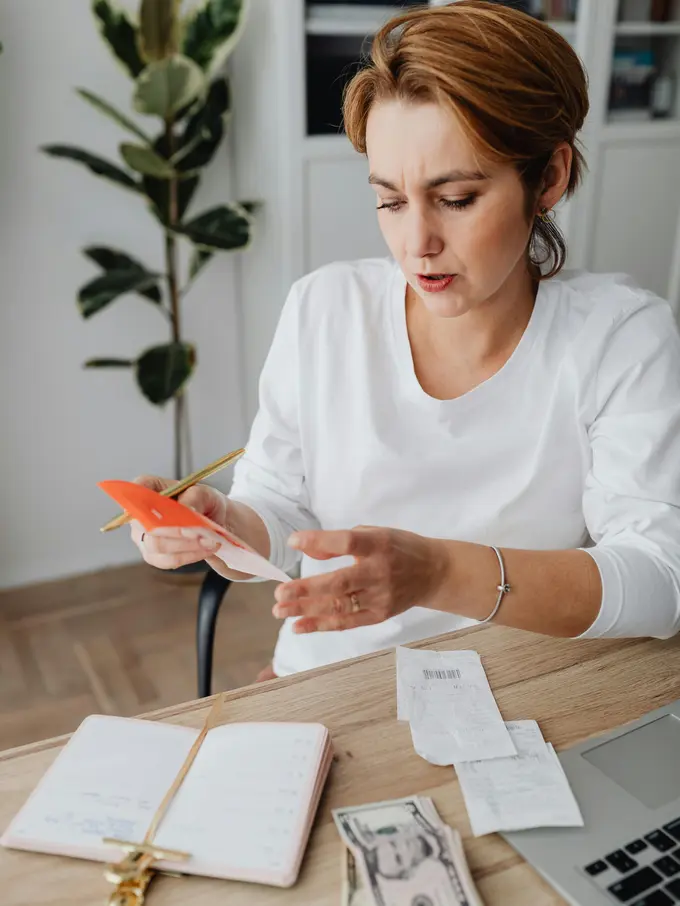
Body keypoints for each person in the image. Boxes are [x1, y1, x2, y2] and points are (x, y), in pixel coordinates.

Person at [132, 0, 680, 681]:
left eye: (456, 199)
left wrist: (440, 573)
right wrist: (222, 525)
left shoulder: (622, 337)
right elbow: (277, 503)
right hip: (332, 679)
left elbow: (661, 580)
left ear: (551, 177)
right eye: (390, 201)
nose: (416, 245)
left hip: (519, 686)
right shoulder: (323, 309)